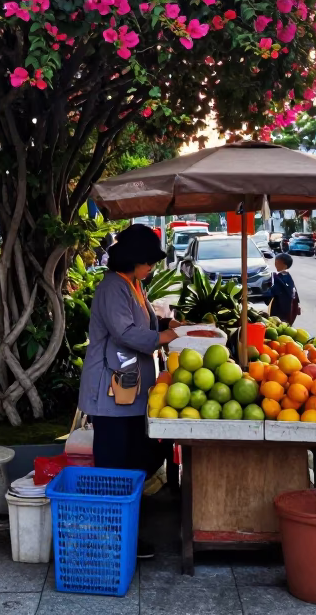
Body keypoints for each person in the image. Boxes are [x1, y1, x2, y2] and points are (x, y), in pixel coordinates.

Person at [77, 224, 179, 558]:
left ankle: (126, 528)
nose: (152, 267)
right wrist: (164, 338)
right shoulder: (112, 287)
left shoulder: (133, 284)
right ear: (135, 258)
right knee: (114, 463)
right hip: (111, 392)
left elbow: (144, 322)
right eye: (149, 261)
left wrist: (166, 325)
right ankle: (115, 539)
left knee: (141, 455)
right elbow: (125, 332)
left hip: (131, 391)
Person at [261, 253, 298, 324]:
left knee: (278, 322)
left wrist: (266, 295)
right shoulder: (288, 276)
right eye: (275, 262)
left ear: (285, 265)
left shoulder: (278, 278)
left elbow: (274, 290)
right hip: (288, 306)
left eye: (277, 262)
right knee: (285, 322)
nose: (275, 264)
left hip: (280, 306)